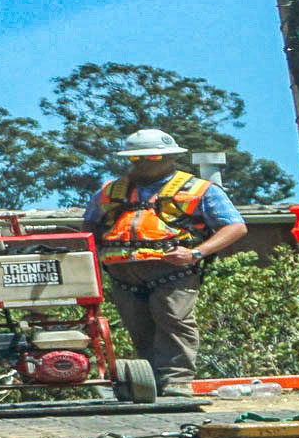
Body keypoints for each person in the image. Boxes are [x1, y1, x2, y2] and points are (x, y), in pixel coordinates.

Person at [83, 127, 249, 391]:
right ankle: (147, 383)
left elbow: (235, 227)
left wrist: (195, 253)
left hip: (173, 271)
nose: (142, 164)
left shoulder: (198, 189)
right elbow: (88, 229)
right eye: (136, 159)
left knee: (174, 321)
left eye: (151, 158)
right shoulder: (111, 191)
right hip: (122, 274)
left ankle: (177, 381)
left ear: (170, 157)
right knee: (139, 327)